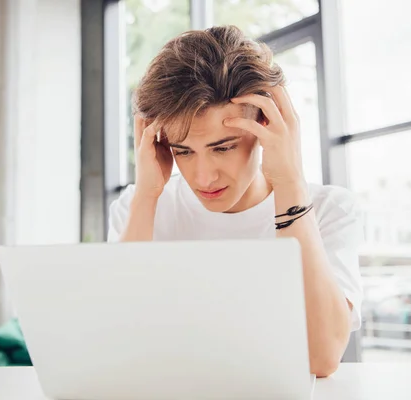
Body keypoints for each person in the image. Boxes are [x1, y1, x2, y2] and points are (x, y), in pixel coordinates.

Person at [108, 25, 363, 378]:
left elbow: (321, 358)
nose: (203, 177)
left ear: (268, 126)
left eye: (223, 147)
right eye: (183, 151)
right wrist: (146, 196)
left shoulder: (331, 210)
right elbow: (114, 344)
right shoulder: (140, 207)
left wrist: (289, 182)